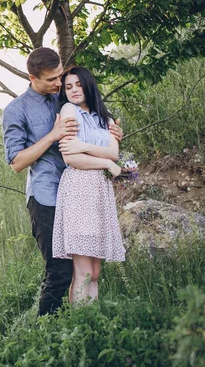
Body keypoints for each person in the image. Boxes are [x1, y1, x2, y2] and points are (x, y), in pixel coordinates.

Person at [2, 48, 123, 316]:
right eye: (52, 80)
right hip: (46, 196)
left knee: (87, 268)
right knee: (59, 270)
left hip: (81, 193)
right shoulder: (16, 110)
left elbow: (93, 124)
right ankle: (47, 332)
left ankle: (79, 323)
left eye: (60, 76)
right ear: (33, 78)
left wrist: (112, 132)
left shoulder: (65, 96)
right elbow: (16, 163)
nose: (59, 84)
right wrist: (52, 135)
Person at [53, 66, 126, 306]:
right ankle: (80, 324)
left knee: (95, 272)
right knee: (83, 271)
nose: (73, 90)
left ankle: (91, 320)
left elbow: (114, 153)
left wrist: (84, 147)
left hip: (99, 192)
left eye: (78, 84)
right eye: (68, 86)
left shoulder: (104, 117)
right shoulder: (68, 110)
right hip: (79, 189)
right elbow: (71, 159)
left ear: (88, 84)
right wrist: (104, 160)